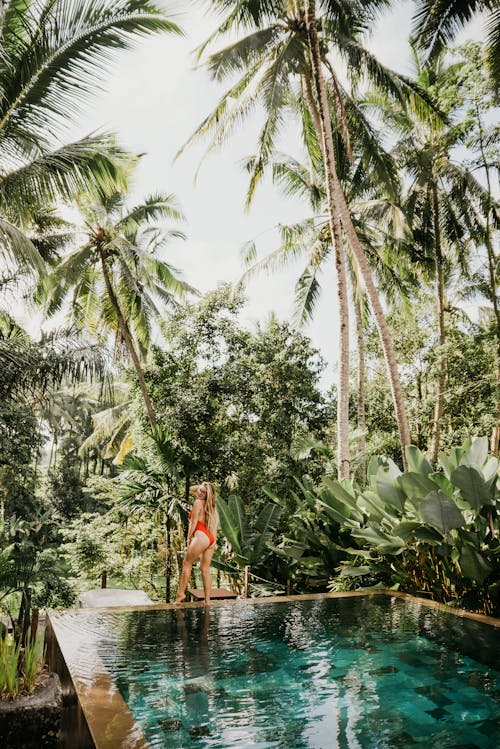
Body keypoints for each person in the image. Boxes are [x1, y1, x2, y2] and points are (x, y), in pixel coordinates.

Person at [175, 482, 219, 606]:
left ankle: (180, 595)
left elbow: (193, 523)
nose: (199, 493)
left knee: (187, 563)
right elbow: (191, 489)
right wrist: (204, 487)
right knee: (205, 569)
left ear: (207, 495)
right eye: (199, 490)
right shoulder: (210, 505)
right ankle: (207, 600)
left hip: (200, 536)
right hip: (210, 538)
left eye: (203, 492)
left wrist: (188, 538)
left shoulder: (198, 502)